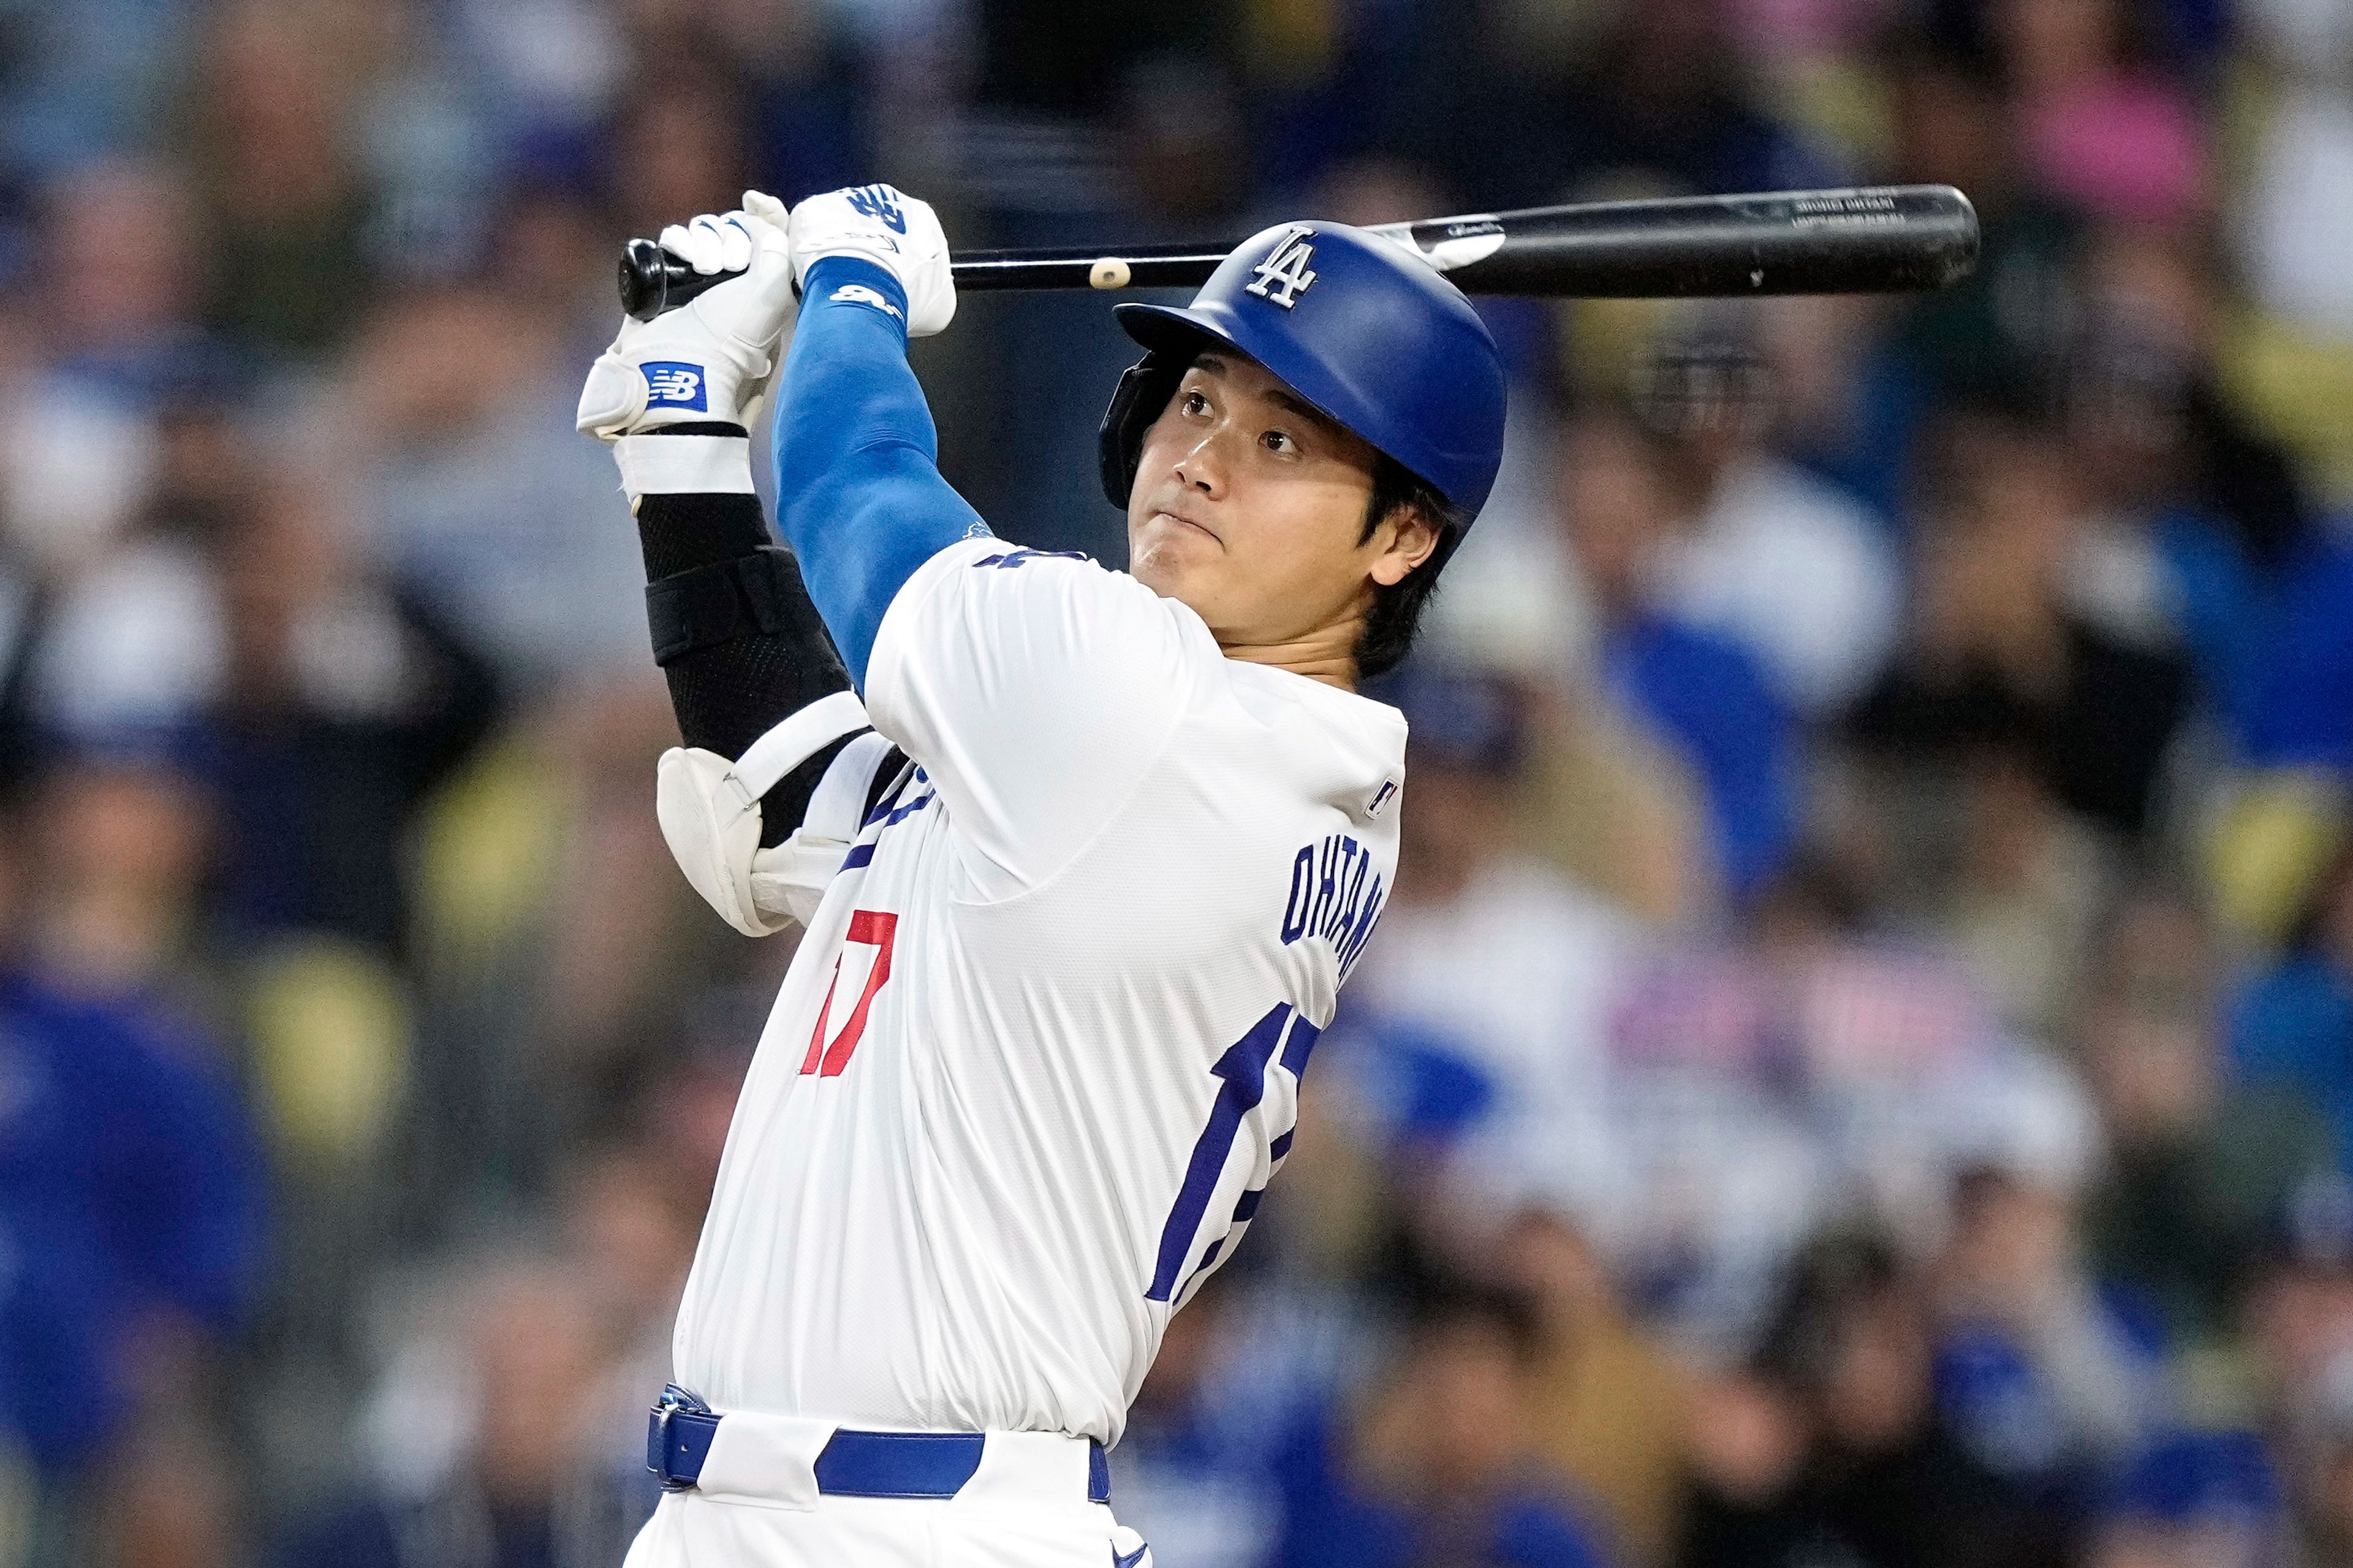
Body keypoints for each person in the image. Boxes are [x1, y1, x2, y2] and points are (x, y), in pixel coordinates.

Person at [570, 182, 1507, 1566]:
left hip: (904, 1530)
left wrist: (858, 287)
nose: (1203, 459)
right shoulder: (1174, 758)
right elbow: (783, 788)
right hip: (854, 1515)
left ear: (1401, 537)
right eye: (1196, 402)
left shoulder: (1145, 703)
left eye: (1281, 440)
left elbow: (855, 490)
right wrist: (684, 430)